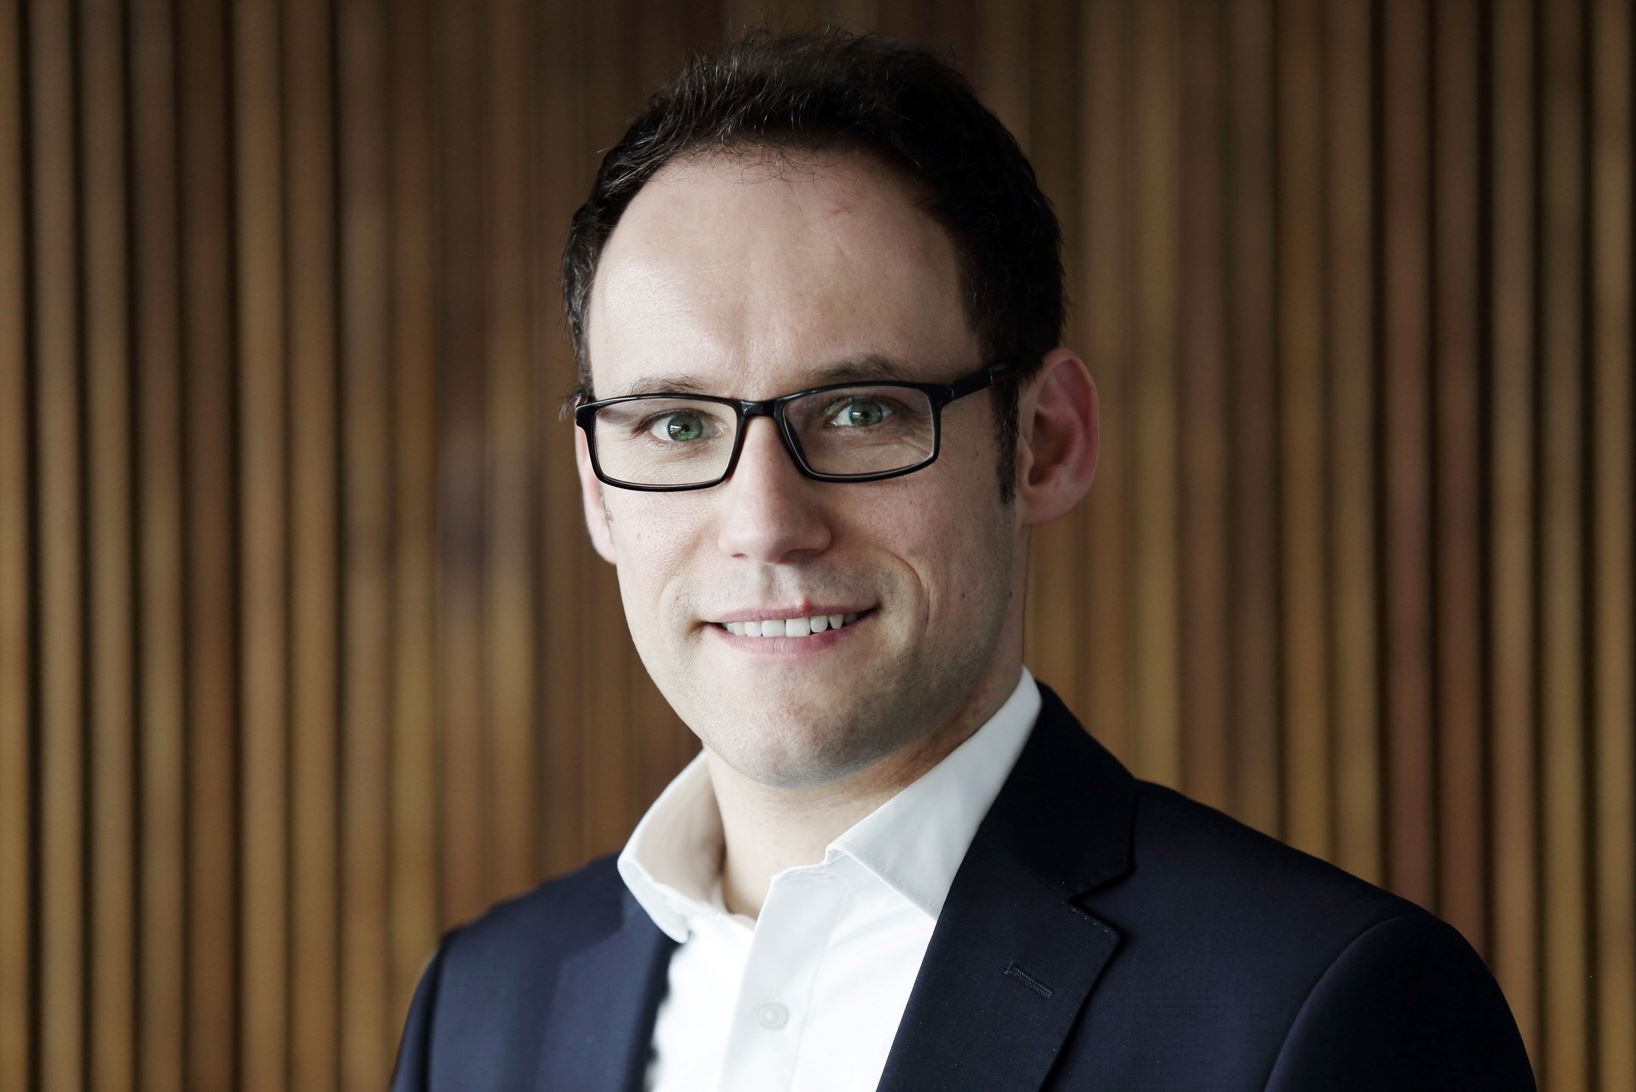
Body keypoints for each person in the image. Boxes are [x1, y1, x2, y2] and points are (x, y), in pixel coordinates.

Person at [390, 29, 1533, 1092]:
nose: (763, 522)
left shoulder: (1321, 1008)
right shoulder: (479, 1012)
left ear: (1044, 443)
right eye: (676, 424)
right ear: (597, 488)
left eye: (859, 412)